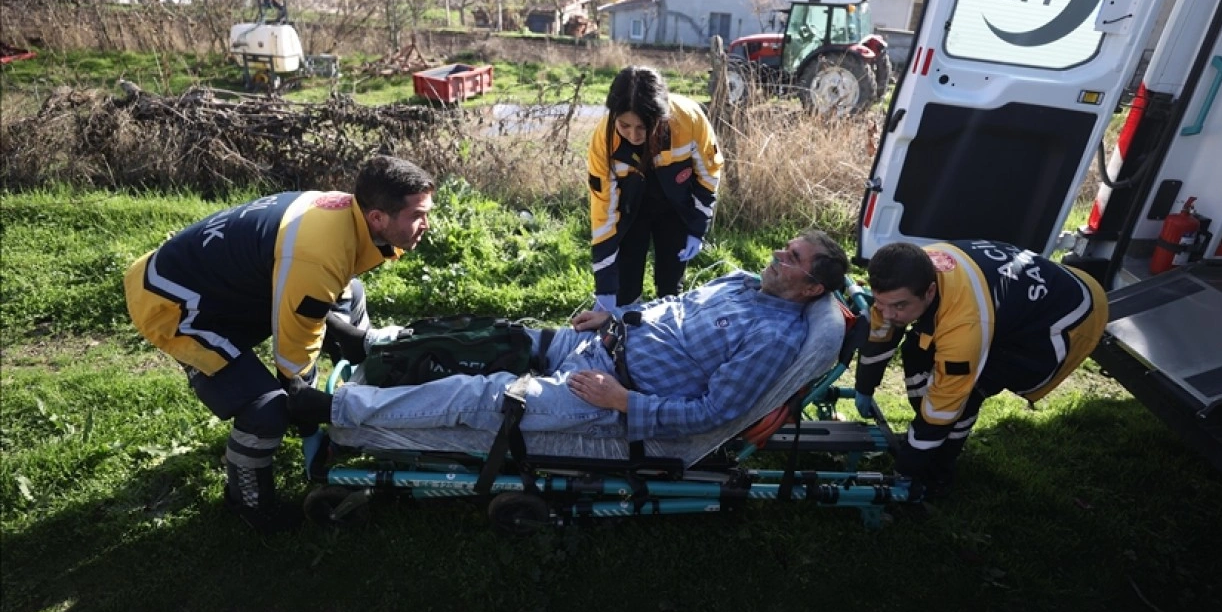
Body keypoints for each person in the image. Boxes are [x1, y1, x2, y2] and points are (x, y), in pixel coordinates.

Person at [289, 231, 849, 445]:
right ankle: (370, 345)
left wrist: (623, 402)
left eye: (792, 258)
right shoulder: (742, 282)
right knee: (496, 336)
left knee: (484, 396)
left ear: (811, 288)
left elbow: (716, 413)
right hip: (601, 345)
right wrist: (614, 318)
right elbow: (670, 308)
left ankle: (335, 407)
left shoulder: (774, 338)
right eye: (785, 247)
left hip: (607, 394)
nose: (778, 256)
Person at [122, 155, 435, 532]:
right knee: (268, 408)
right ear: (378, 218)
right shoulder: (319, 254)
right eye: (418, 215)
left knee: (350, 294)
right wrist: (301, 397)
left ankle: (359, 392)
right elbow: (294, 354)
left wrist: (348, 339)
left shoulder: (349, 216)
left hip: (227, 283)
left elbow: (317, 291)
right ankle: (250, 503)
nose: (426, 224)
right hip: (173, 303)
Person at [852, 240, 1109, 501]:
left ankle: (938, 473)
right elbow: (881, 333)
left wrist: (907, 468)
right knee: (916, 351)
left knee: (968, 395)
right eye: (881, 303)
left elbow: (945, 406)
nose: (888, 313)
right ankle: (927, 443)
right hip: (1018, 295)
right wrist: (865, 386)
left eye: (899, 306)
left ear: (930, 291)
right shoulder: (910, 270)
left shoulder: (964, 328)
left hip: (1068, 316)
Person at [587, 66, 723, 314]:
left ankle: (669, 320)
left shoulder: (690, 120)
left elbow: (708, 174)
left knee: (670, 282)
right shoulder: (603, 141)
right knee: (626, 285)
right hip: (630, 208)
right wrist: (605, 286)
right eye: (624, 125)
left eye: (643, 127)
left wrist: (697, 227)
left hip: (675, 206)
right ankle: (627, 318)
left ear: (661, 117)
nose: (633, 135)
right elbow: (602, 210)